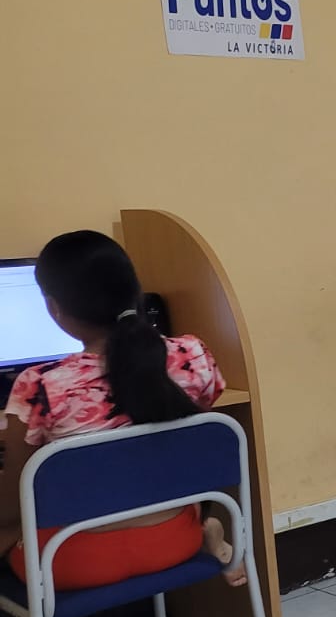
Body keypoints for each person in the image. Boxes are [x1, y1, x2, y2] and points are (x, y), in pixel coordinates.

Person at [0, 231, 240, 589]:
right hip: (176, 540)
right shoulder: (193, 356)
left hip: (71, 562)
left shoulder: (39, 386)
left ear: (54, 308)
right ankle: (208, 528)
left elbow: (14, 498)